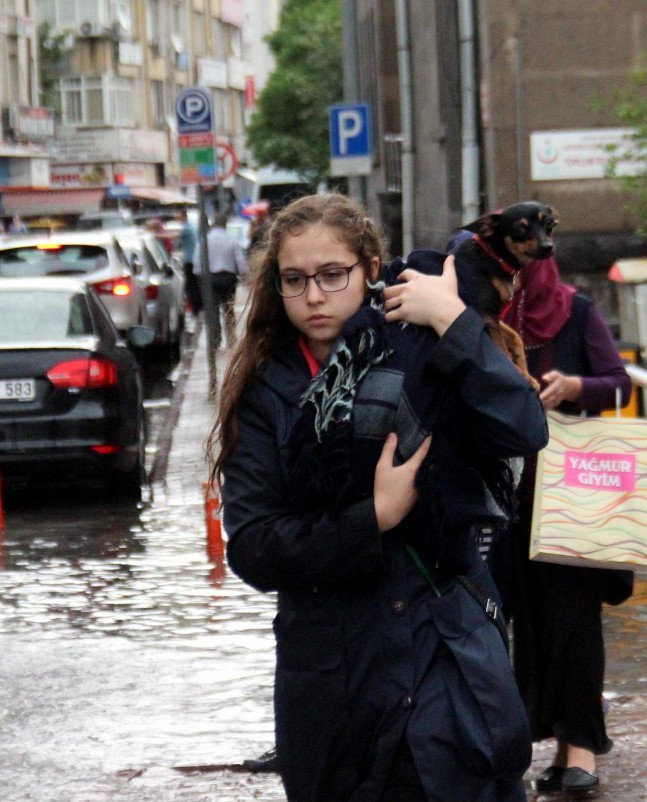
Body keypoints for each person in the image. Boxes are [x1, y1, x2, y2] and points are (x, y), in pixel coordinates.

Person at [208, 194, 548, 800]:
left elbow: (523, 429)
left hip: (446, 663)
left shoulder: (426, 348)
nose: (314, 296)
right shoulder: (267, 390)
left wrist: (454, 321)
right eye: (295, 280)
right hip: (338, 687)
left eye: (332, 275)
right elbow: (255, 548)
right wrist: (377, 516)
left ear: (369, 268)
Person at [501, 255, 633, 796]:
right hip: (512, 494)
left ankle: (582, 749)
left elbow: (620, 385)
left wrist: (575, 387)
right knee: (528, 625)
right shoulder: (489, 320)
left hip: (577, 490)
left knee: (575, 619)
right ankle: (555, 744)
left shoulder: (577, 310)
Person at [193, 211, 247, 348]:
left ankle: (215, 340)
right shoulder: (231, 239)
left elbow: (197, 263)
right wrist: (245, 276)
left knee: (213, 310)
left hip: (210, 279)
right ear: (225, 224)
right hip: (228, 278)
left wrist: (200, 277)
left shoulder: (204, 239)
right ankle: (231, 338)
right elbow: (241, 262)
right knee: (229, 309)